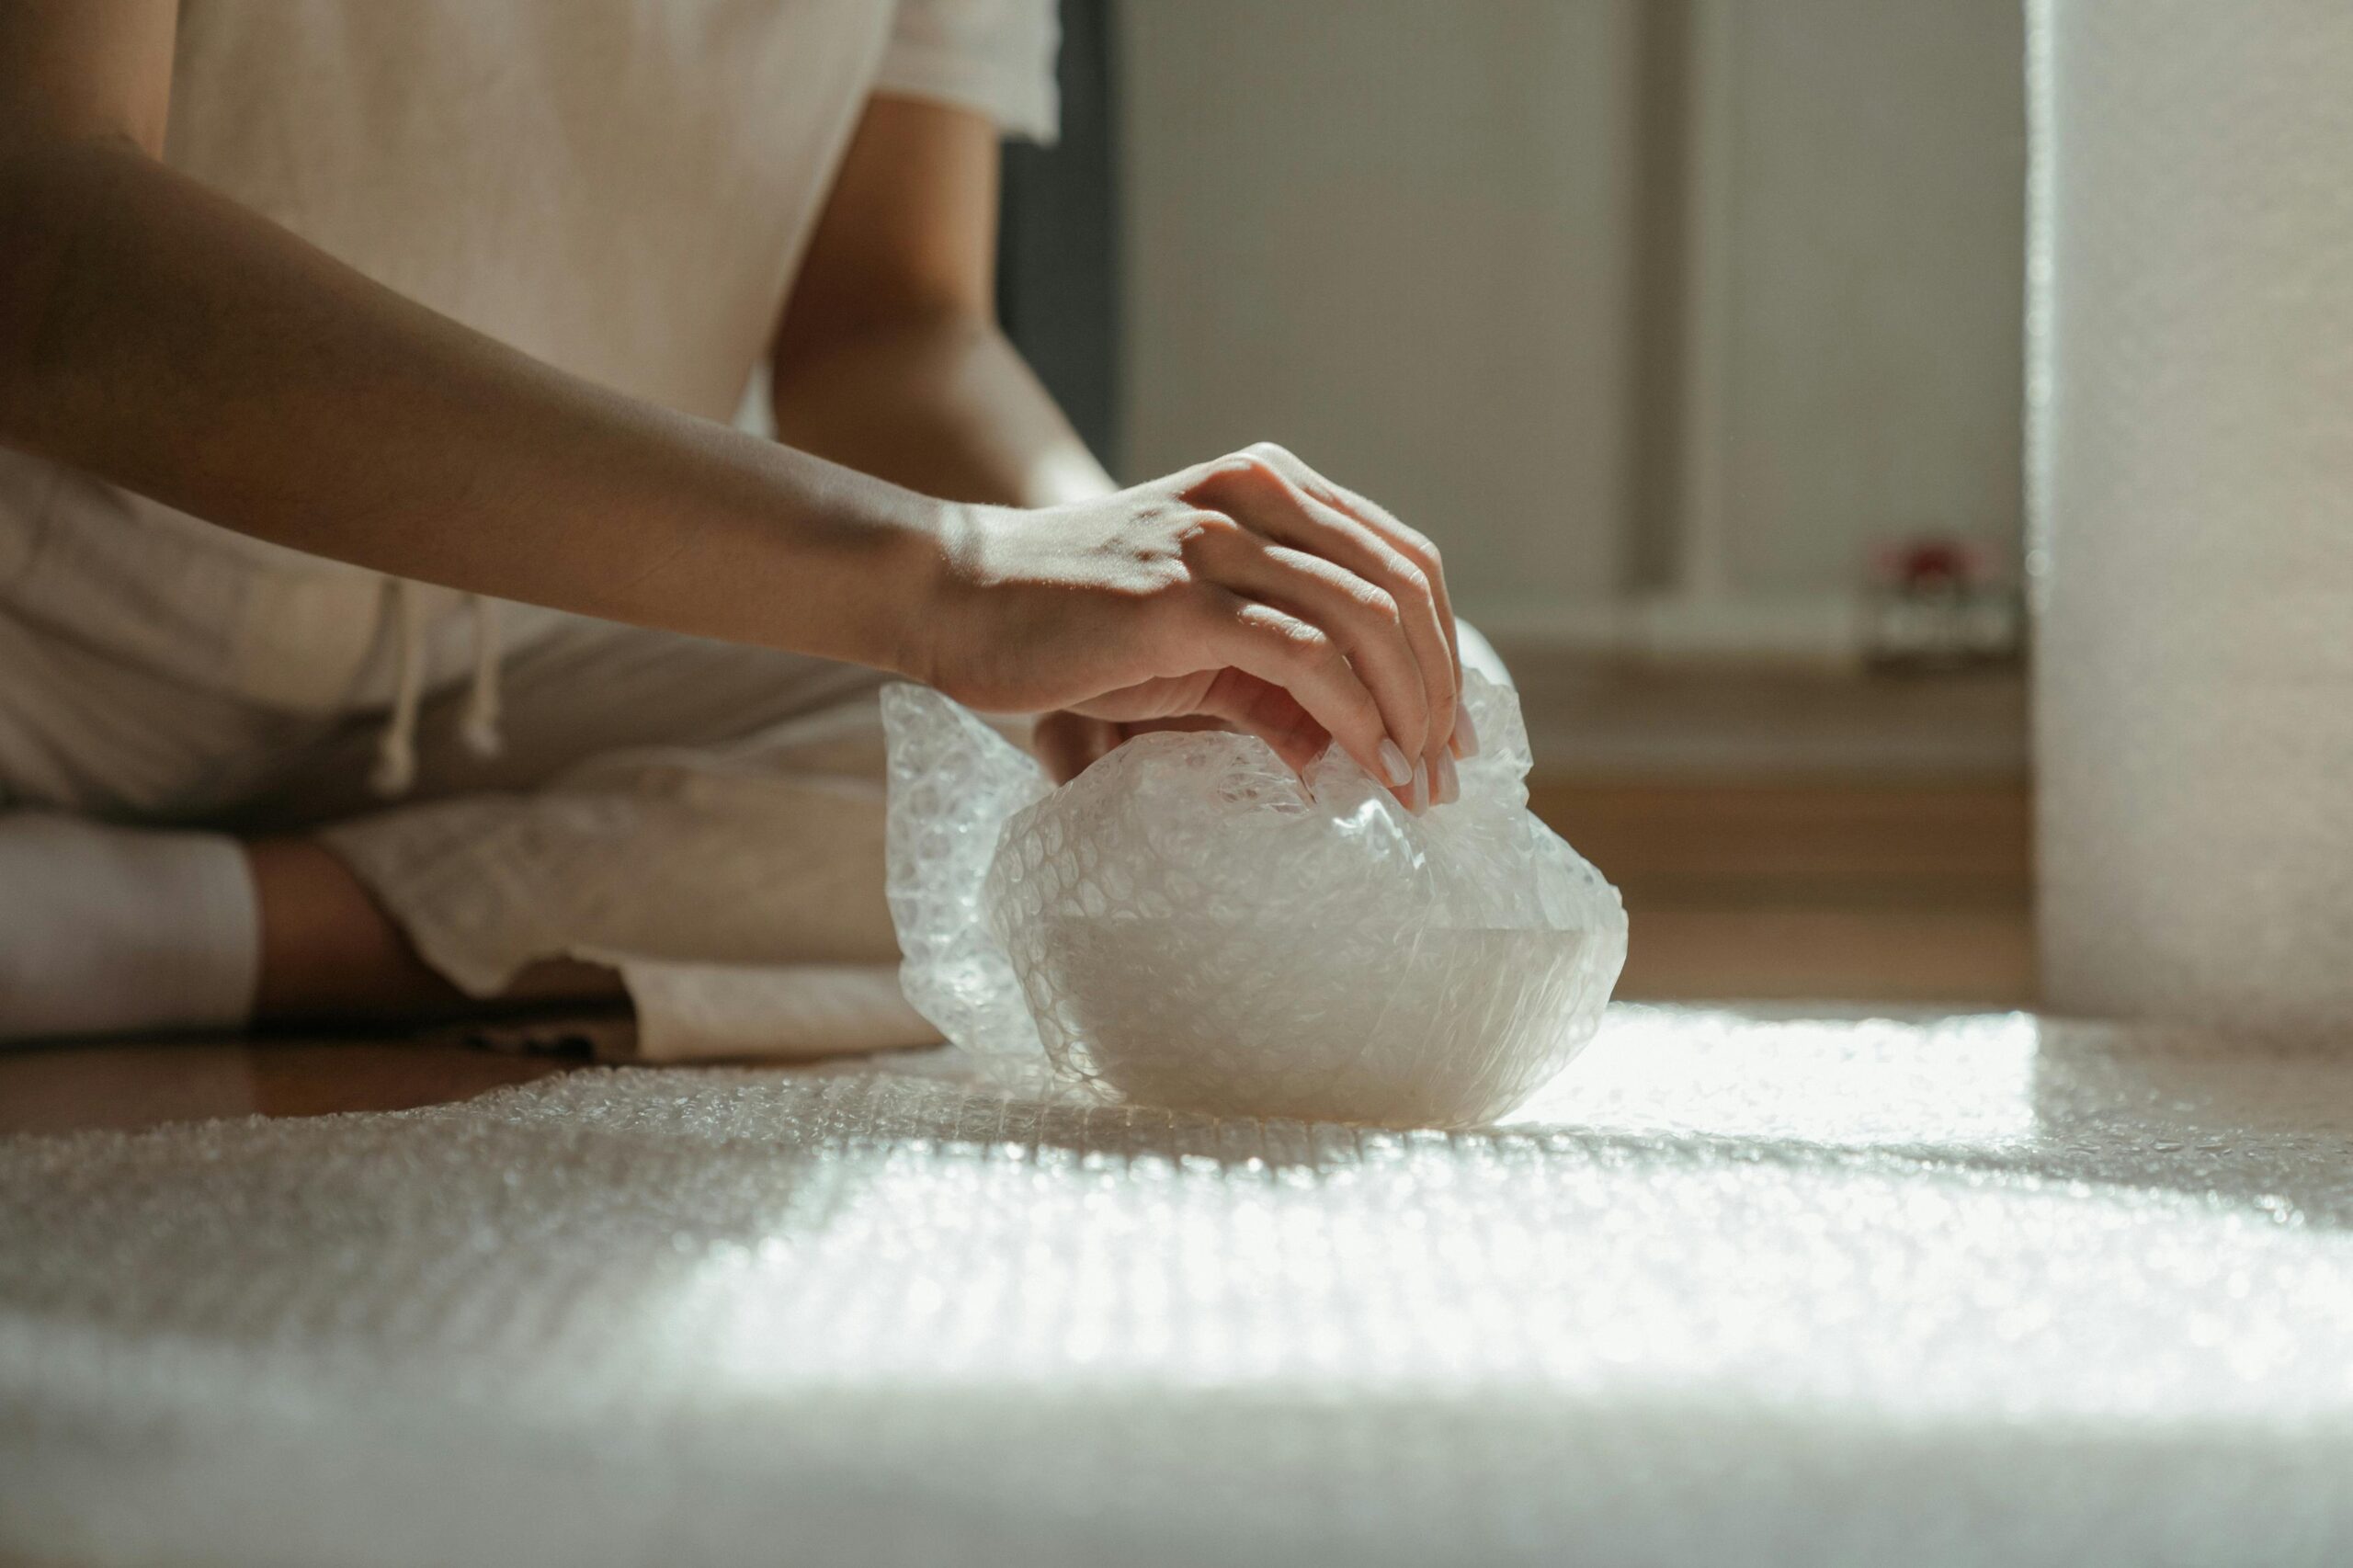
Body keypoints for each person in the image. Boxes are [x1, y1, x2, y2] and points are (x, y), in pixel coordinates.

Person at [0, 0, 1472, 1056]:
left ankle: (177, 928)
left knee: (1334, 697)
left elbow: (882, 324)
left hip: (524, 648)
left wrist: (1113, 590)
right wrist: (950, 578)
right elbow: (44, 250)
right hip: (38, 640)